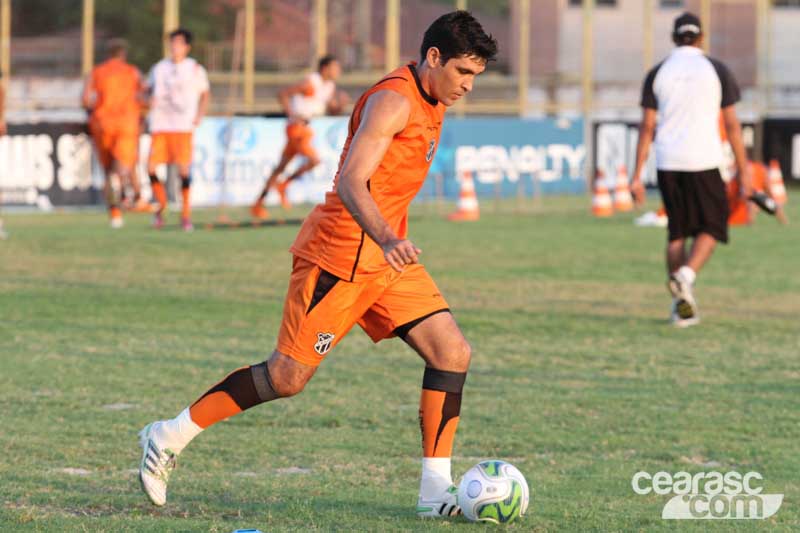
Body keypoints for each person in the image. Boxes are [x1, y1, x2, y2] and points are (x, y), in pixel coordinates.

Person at [138, 11, 497, 517]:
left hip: (385, 258)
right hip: (341, 255)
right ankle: (169, 434)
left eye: (475, 77)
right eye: (463, 72)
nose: (467, 86)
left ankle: (435, 493)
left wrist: (389, 242)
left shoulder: (433, 97)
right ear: (434, 57)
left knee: (452, 352)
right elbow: (351, 180)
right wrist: (388, 236)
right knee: (286, 378)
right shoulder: (394, 101)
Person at [631, 12, 750, 327]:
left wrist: (635, 175)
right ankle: (686, 275)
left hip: (668, 161)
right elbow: (733, 126)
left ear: (673, 37)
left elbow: (646, 128)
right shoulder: (716, 69)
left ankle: (680, 305)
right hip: (704, 159)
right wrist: (745, 169)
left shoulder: (658, 72)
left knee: (676, 233)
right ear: (700, 38)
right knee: (711, 228)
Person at [251, 55, 347, 219]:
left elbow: (332, 111)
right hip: (297, 128)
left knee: (280, 167)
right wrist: (292, 114)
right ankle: (284, 185)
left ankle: (258, 204)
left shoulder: (329, 86)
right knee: (314, 161)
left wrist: (341, 105)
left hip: (304, 128)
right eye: (335, 67)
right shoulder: (311, 82)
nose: (338, 71)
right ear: (325, 68)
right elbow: (283, 94)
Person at [146, 28, 210, 231]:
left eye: (179, 43)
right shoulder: (159, 68)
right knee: (151, 168)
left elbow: (205, 94)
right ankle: (162, 207)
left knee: (183, 169)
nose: (175, 47)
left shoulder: (195, 69)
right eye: (173, 43)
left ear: (187, 47)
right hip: (160, 124)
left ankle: (185, 214)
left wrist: (200, 114)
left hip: (182, 126)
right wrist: (147, 102)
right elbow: (146, 90)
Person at [82, 39, 145, 228]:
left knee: (108, 170)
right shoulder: (132, 72)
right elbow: (144, 96)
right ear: (123, 55)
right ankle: (125, 195)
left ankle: (115, 215)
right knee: (123, 167)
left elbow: (85, 100)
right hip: (127, 123)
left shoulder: (96, 72)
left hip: (101, 124)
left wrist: (93, 115)